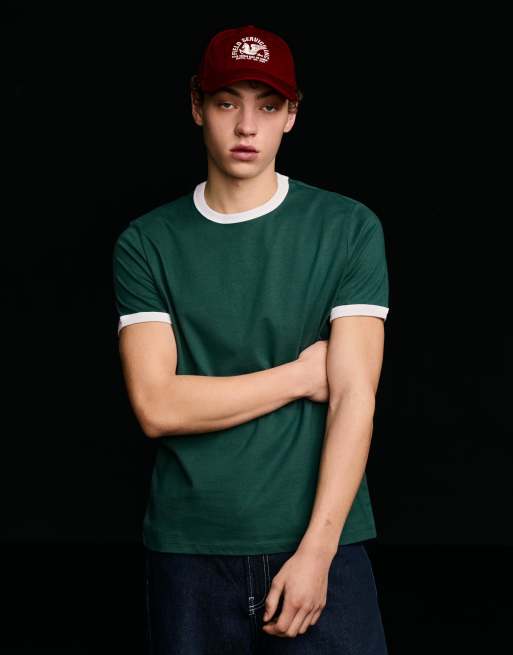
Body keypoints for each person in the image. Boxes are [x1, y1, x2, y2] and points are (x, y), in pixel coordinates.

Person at [113, 23, 390, 654]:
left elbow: (354, 397)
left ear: (292, 115)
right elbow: (157, 406)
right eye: (226, 102)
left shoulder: (347, 228)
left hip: (322, 545)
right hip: (190, 550)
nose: (246, 127)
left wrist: (317, 552)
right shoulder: (147, 243)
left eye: (267, 107)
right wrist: (300, 376)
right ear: (196, 105)